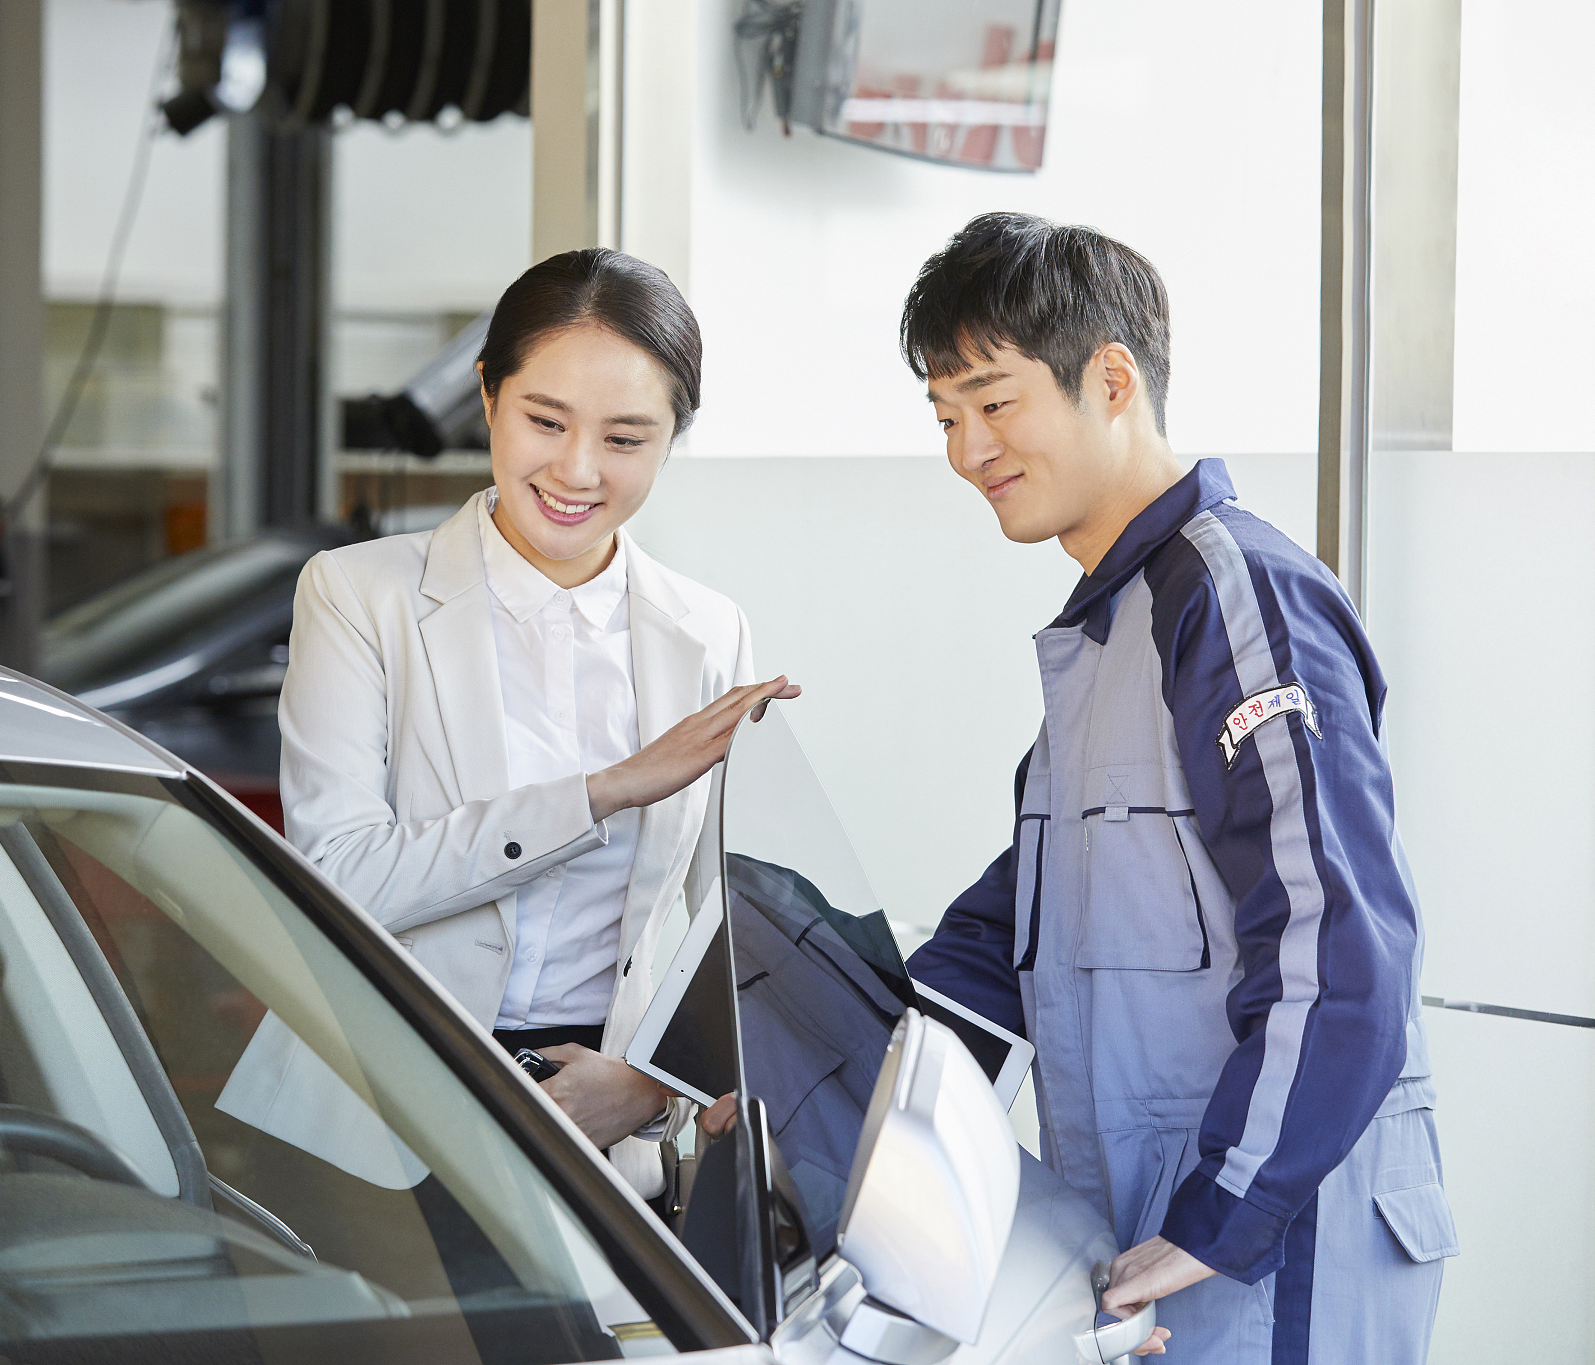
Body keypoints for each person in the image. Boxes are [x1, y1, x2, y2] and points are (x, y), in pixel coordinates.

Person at [897, 213, 1454, 1363]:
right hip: (1162, 1241)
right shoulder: (1112, 626)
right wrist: (822, 1083)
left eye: (993, 404)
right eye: (944, 415)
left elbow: (1333, 932)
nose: (964, 451)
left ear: (1110, 380)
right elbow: (1009, 934)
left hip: (1271, 1245)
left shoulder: (1230, 596)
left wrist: (1225, 1212)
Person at [223, 247, 797, 1200]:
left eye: (625, 438)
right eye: (545, 420)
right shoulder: (360, 594)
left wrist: (656, 1087)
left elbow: (732, 929)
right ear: (487, 394)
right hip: (375, 1115)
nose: (577, 470)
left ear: (671, 437)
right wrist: (604, 792)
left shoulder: (705, 629)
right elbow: (338, 878)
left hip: (600, 1129)